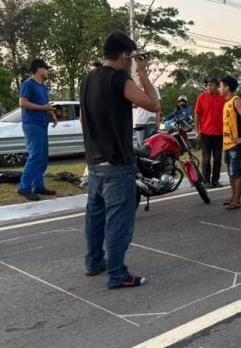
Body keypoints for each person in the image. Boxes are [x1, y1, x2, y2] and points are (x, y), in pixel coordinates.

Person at [80, 30, 159, 289]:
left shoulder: (87, 80)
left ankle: (93, 262)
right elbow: (153, 105)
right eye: (132, 58)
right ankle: (117, 274)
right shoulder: (119, 79)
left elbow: (83, 118)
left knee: (96, 217)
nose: (133, 61)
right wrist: (143, 73)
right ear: (125, 56)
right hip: (117, 164)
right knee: (118, 222)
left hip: (94, 162)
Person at [17, 59, 57, 201]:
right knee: (35, 156)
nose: (48, 72)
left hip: (42, 124)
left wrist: (51, 115)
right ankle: (24, 187)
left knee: (42, 157)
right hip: (31, 124)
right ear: (40, 69)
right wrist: (43, 109)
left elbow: (45, 104)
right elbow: (23, 103)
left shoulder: (43, 87)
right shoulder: (28, 84)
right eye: (46, 69)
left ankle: (38, 186)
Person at [220, 76, 241, 210]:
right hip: (227, 143)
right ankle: (233, 197)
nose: (220, 89)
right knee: (230, 171)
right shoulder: (226, 102)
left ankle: (237, 200)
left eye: (221, 86)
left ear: (227, 88)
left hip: (235, 144)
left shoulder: (236, 101)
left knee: (236, 171)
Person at [194, 78, 225, 188]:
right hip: (205, 133)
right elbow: (197, 115)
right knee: (206, 159)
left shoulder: (223, 97)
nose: (208, 87)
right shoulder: (202, 97)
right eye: (208, 85)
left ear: (217, 86)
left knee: (217, 158)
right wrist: (197, 131)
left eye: (211, 85)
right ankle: (206, 180)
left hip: (219, 134)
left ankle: (215, 180)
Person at [133, 74, 161, 146]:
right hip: (139, 121)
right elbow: (132, 105)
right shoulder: (135, 89)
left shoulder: (154, 88)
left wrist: (158, 120)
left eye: (141, 75)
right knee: (141, 144)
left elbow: (158, 105)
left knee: (151, 144)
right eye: (138, 76)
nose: (140, 78)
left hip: (151, 120)